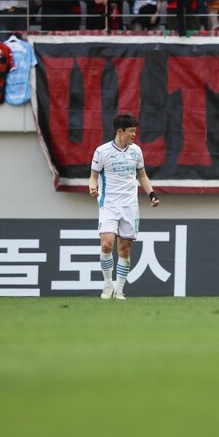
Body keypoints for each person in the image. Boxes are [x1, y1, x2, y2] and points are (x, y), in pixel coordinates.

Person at [88, 114, 160, 301]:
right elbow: (93, 176)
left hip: (129, 205)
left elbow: (142, 176)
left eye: (135, 131)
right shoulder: (102, 152)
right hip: (109, 204)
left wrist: (152, 194)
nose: (134, 134)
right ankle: (107, 286)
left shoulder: (136, 151)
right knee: (106, 243)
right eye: (131, 131)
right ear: (120, 131)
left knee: (125, 249)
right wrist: (92, 188)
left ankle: (119, 290)